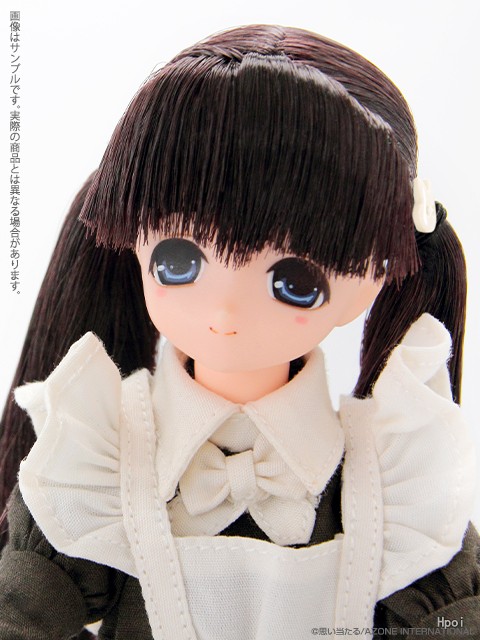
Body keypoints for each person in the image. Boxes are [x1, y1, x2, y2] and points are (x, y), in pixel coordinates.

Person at [0, 25, 478, 639]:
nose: (224, 313)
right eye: (179, 262)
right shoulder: (97, 461)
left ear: (366, 284)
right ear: (133, 244)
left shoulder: (393, 483)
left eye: (294, 282)